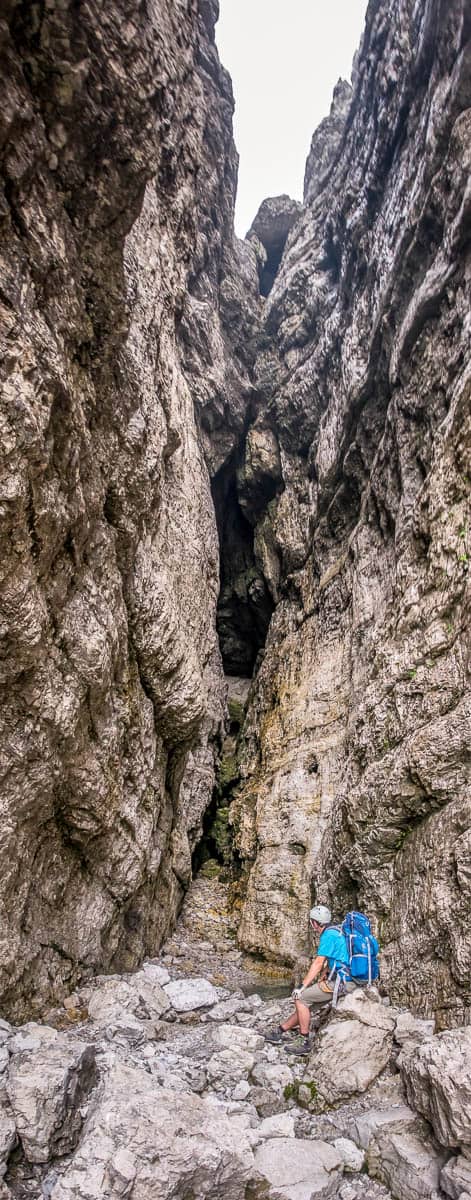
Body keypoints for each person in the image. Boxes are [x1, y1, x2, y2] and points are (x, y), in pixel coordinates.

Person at [265, 903, 357, 1055]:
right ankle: (279, 1031)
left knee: (301, 999)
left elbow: (318, 963)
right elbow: (338, 957)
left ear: (314, 923)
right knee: (307, 1006)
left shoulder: (328, 935)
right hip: (349, 979)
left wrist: (301, 987)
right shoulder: (337, 931)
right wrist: (326, 972)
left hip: (342, 982)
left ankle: (304, 1042)